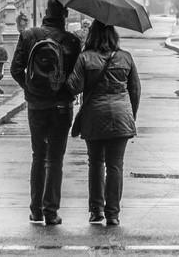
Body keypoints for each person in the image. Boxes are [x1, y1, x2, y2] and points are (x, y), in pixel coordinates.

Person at [10, 0, 82, 225]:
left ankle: (35, 210)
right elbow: (76, 77)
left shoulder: (29, 35)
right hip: (61, 107)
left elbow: (15, 69)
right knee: (55, 160)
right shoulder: (71, 41)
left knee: (38, 156)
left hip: (36, 106)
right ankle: (51, 211)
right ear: (65, 15)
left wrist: (30, 89)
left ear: (45, 12)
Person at [66, 20, 141, 226]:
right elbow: (135, 90)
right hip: (121, 117)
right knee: (115, 165)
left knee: (96, 163)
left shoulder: (85, 58)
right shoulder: (126, 57)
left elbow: (74, 87)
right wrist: (130, 115)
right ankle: (113, 214)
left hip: (94, 116)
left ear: (92, 36)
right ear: (113, 36)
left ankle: (96, 210)